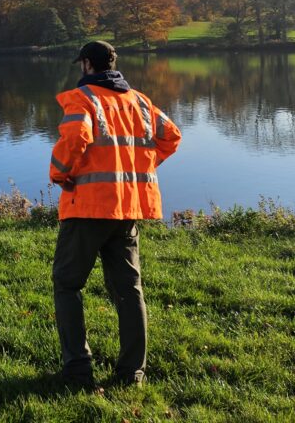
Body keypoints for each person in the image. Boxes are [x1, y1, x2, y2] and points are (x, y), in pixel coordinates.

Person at [50, 40, 182, 388]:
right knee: (128, 289)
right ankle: (132, 374)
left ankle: (78, 372)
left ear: (88, 66)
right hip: (127, 210)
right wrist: (145, 167)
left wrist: (60, 174)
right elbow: (171, 136)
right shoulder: (139, 101)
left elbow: (75, 138)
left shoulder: (84, 99)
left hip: (88, 209)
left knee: (67, 285)